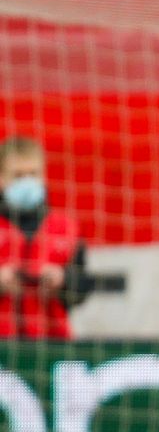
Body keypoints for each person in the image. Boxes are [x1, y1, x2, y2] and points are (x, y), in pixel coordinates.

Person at [0, 136, 80, 339]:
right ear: (2, 178)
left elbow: (85, 284)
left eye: (33, 174)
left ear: (43, 176)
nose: (27, 182)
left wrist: (63, 279)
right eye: (18, 176)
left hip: (52, 342)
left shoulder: (64, 228)